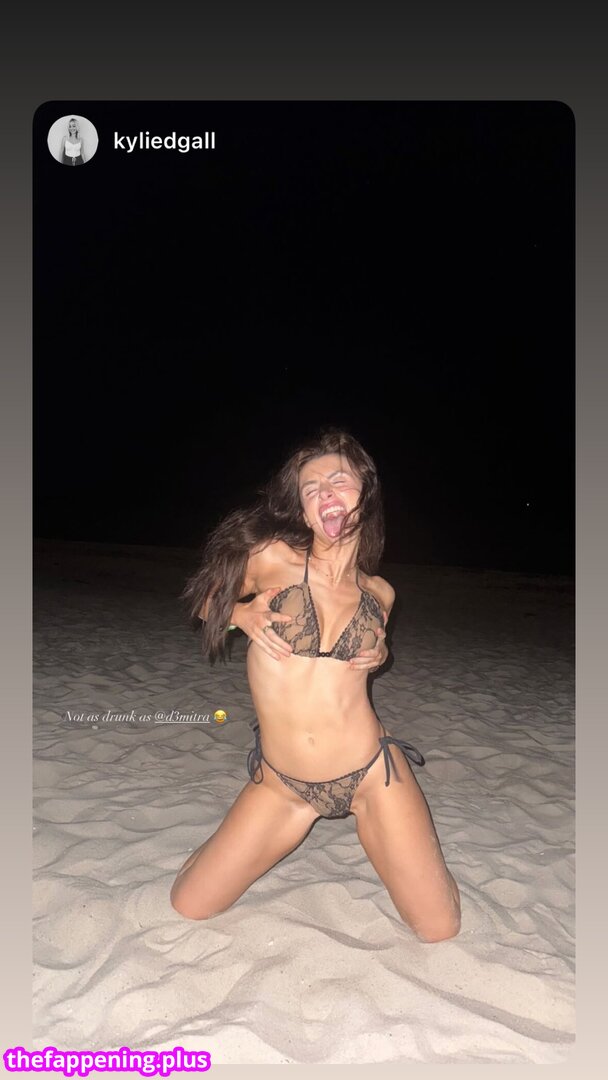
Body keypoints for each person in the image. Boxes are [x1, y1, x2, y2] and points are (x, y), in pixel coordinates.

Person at [170, 429, 461, 942]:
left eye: (338, 480)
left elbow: (371, 654)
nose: (325, 492)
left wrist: (381, 654)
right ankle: (218, 846)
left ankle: (430, 866)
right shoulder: (270, 556)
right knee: (188, 904)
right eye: (311, 487)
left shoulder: (380, 593)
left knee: (439, 928)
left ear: (365, 492)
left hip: (372, 773)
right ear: (304, 511)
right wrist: (242, 615)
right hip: (283, 783)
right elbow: (204, 601)